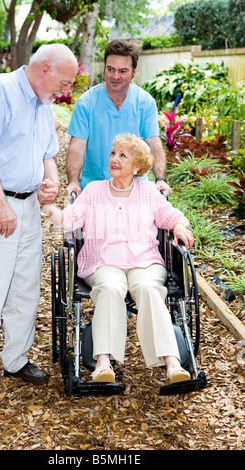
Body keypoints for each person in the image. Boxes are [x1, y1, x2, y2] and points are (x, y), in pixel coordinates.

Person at [0, 43, 78, 412]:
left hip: (27, 206)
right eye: (65, 80)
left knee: (25, 285)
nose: (67, 89)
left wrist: (51, 182)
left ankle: (15, 359)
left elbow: (47, 156)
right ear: (44, 68)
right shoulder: (0, 90)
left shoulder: (43, 104)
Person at [42, 133, 193, 385]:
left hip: (144, 260)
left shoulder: (147, 191)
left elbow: (173, 216)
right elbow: (69, 220)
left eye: (123, 155)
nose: (115, 159)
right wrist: (50, 208)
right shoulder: (93, 191)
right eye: (113, 153)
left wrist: (179, 226)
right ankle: (102, 362)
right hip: (102, 261)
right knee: (111, 288)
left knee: (148, 288)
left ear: (137, 166)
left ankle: (172, 362)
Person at [65, 39, 171, 197]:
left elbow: (154, 145)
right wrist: (73, 181)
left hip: (135, 191)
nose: (115, 76)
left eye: (123, 71)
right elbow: (77, 148)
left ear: (133, 72)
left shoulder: (145, 102)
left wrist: (160, 179)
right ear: (104, 69)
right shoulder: (86, 103)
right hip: (95, 190)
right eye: (110, 69)